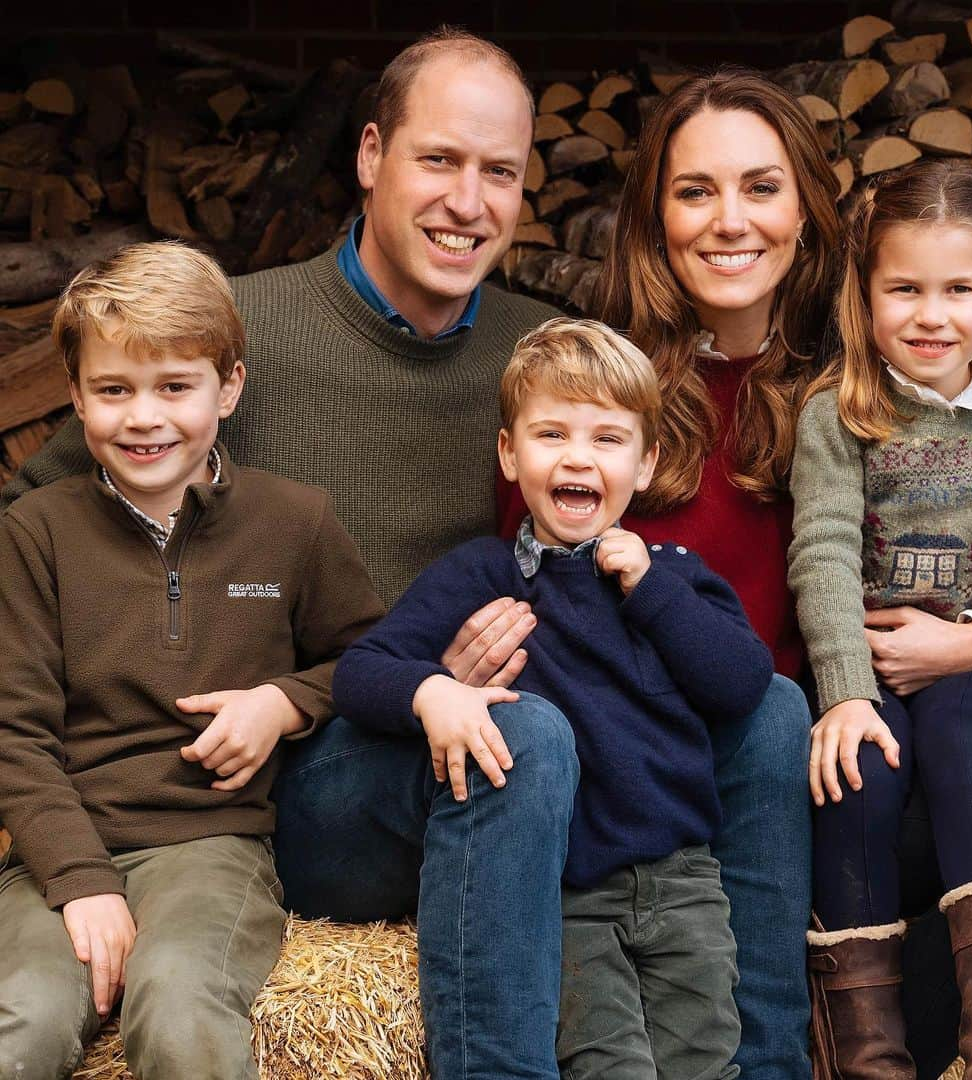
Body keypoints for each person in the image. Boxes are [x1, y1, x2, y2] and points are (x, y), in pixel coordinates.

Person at [1, 30, 583, 1080]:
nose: (468, 200)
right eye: (439, 160)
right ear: (369, 156)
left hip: (428, 743)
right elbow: (47, 512)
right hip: (278, 786)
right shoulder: (238, 331)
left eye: (499, 171)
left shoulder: (539, 356)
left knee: (538, 738)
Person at [499, 66, 972, 1078]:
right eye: (695, 191)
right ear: (655, 218)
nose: (731, 221)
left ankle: (955, 1060)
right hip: (690, 770)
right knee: (784, 727)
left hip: (853, 749)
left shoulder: (874, 372)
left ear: (807, 214)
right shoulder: (595, 396)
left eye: (762, 188)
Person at [335, 317, 771, 1080]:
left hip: (684, 884)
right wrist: (432, 690)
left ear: (645, 465)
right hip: (571, 893)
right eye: (551, 435)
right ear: (510, 454)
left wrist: (649, 588)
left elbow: (741, 685)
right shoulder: (483, 575)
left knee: (706, 1060)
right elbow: (362, 671)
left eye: (608, 439)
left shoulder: (675, 576)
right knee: (609, 1065)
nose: (578, 457)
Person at [0, 241, 382, 1079]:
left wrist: (281, 702)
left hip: (212, 847)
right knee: (23, 1018)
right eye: (113, 390)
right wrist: (80, 880)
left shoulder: (296, 524)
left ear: (229, 387)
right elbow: (13, 735)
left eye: (175, 386)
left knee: (177, 1000)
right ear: (74, 397)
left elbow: (369, 658)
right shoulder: (35, 534)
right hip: (59, 848)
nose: (144, 418)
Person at [788, 160, 972, 1080]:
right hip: (862, 668)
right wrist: (841, 694)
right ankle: (866, 1059)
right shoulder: (839, 411)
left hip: (970, 671)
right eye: (902, 288)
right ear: (865, 294)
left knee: (961, 745)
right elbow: (823, 550)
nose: (929, 315)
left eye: (959, 290)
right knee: (858, 777)